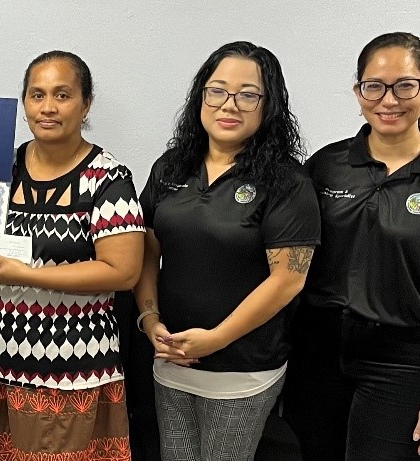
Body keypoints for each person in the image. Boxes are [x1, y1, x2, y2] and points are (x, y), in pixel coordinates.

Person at [282, 32, 420, 461]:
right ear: (358, 90)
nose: (389, 100)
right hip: (317, 354)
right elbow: (293, 259)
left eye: (405, 85)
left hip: (402, 361)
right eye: (374, 86)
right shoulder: (326, 167)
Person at [0, 51, 143, 461]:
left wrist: (30, 276)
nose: (48, 107)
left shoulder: (108, 179)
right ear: (24, 103)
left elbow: (123, 271)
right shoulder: (2, 167)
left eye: (63, 95)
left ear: (86, 104)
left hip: (69, 371)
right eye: (37, 95)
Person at [132, 42, 319, 461]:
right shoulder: (171, 167)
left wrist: (215, 340)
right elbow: (145, 250)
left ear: (268, 105)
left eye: (247, 94)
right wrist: (149, 319)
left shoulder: (287, 181)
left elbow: (289, 279)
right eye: (217, 91)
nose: (228, 104)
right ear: (201, 97)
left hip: (242, 368)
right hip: (171, 357)